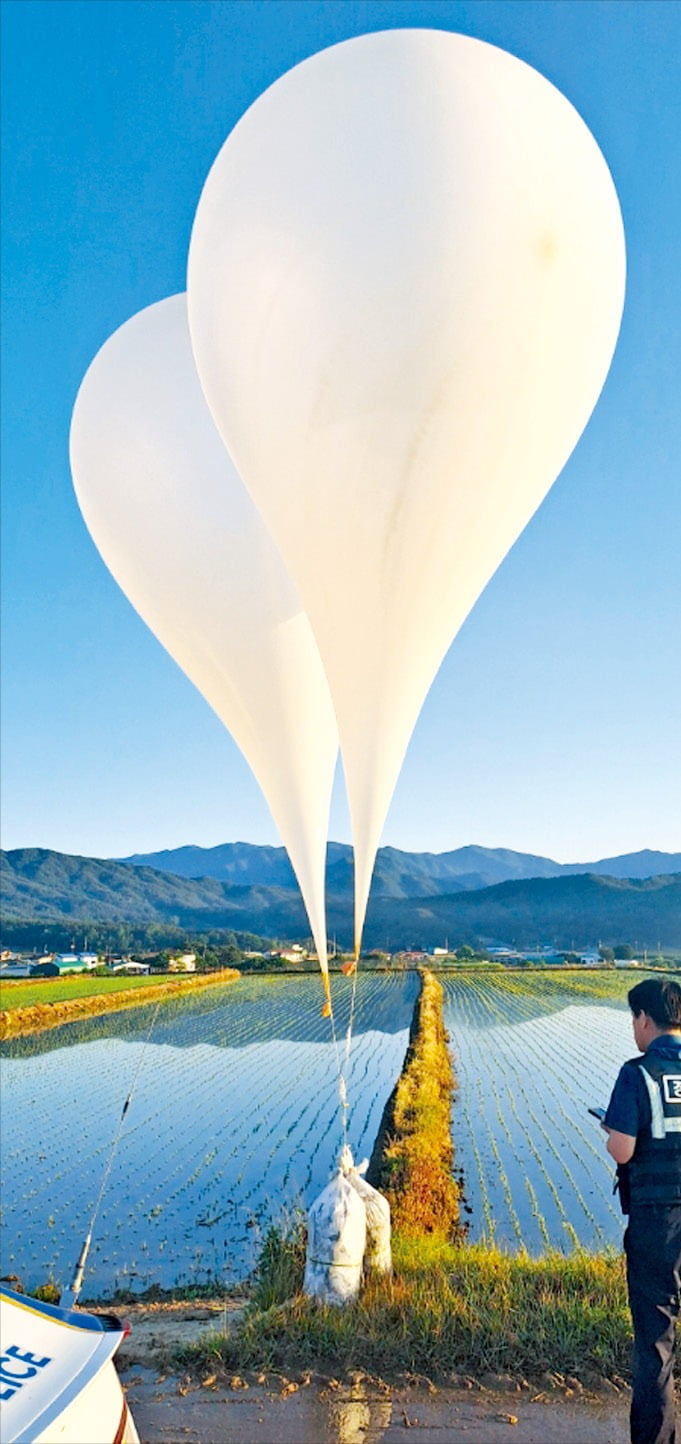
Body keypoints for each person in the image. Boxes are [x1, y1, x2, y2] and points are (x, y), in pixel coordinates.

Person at [603, 976, 681, 1444]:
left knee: (656, 1339)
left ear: (644, 1019)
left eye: (633, 1018)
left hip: (659, 1224)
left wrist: (612, 1131)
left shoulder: (637, 1073)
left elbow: (622, 1150)